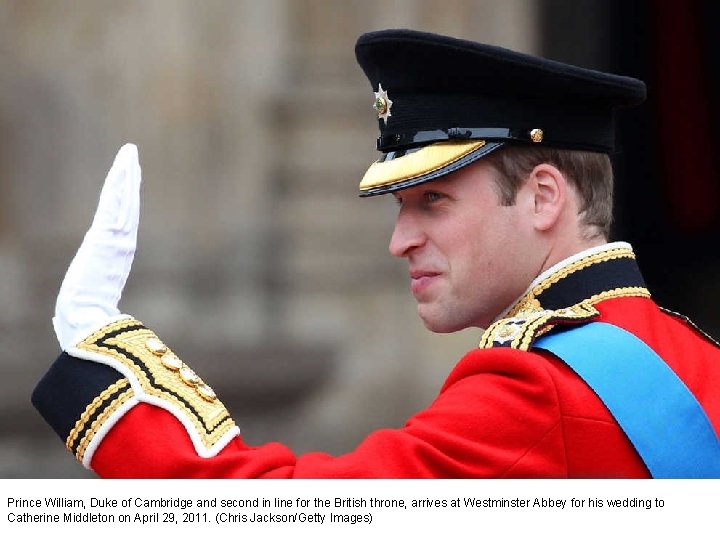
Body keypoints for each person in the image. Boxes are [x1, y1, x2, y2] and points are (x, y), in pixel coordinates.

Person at [32, 29, 720, 478]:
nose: (399, 242)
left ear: (543, 198)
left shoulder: (535, 394)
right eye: (399, 207)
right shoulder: (695, 355)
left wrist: (105, 358)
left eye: (434, 201)